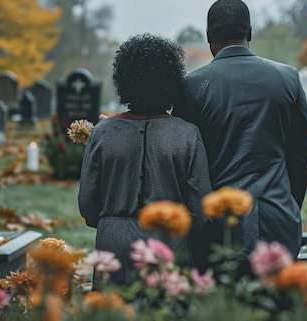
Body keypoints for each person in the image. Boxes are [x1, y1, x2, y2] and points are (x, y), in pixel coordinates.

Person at [173, 0, 307, 265]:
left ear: (208, 36)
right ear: (249, 32)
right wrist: (289, 204)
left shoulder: (191, 87)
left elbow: (186, 165)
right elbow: (301, 155)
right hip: (278, 217)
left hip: (217, 226)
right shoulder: (287, 78)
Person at [78, 33, 212, 286]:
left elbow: (88, 205)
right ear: (171, 81)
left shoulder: (103, 133)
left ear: (124, 79)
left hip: (113, 247)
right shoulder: (186, 134)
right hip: (168, 243)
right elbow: (201, 209)